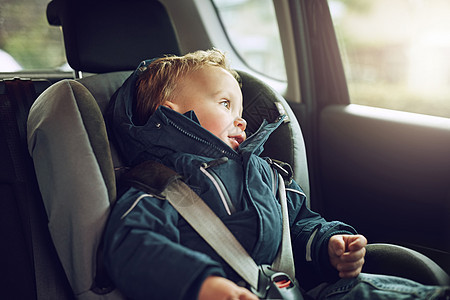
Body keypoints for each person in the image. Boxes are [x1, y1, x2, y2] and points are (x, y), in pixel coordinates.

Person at [103, 49, 449, 300]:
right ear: (170, 113)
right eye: (225, 104)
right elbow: (132, 247)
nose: (241, 120)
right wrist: (202, 285)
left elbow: (299, 222)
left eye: (240, 111)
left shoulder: (268, 173)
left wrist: (329, 244)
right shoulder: (158, 186)